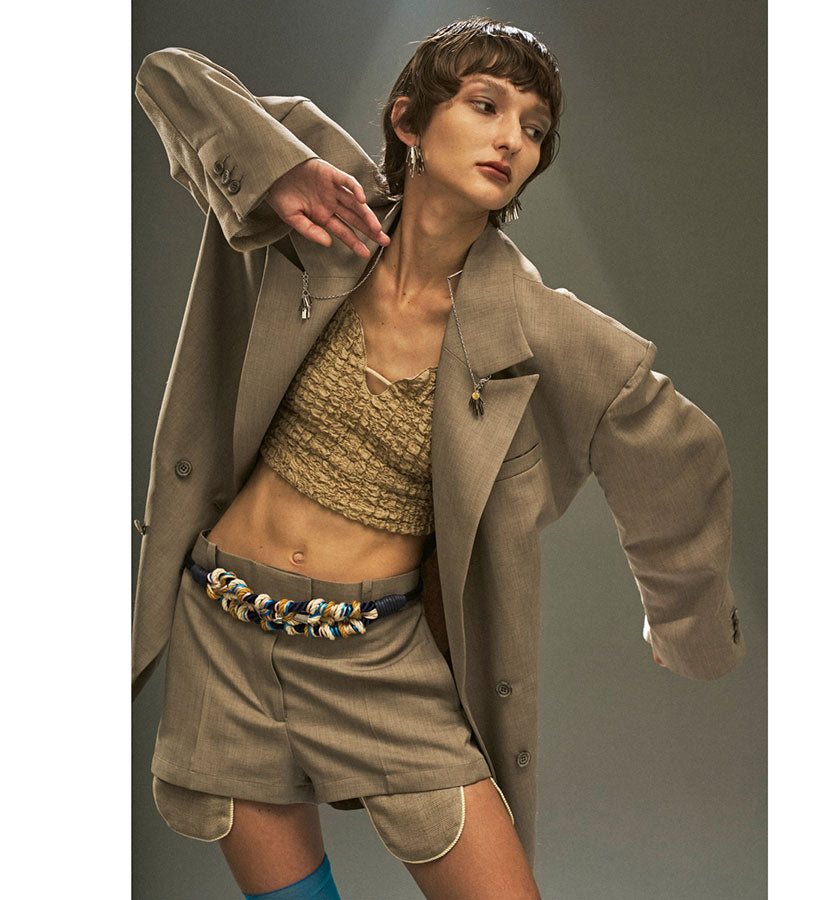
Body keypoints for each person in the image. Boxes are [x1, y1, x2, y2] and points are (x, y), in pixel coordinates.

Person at [133, 16, 745, 900]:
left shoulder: (538, 323)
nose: (512, 138)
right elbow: (167, 75)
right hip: (220, 632)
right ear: (409, 120)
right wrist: (276, 169)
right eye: (486, 105)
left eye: (534, 127)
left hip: (374, 658)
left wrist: (682, 620)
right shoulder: (324, 211)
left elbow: (682, 453)